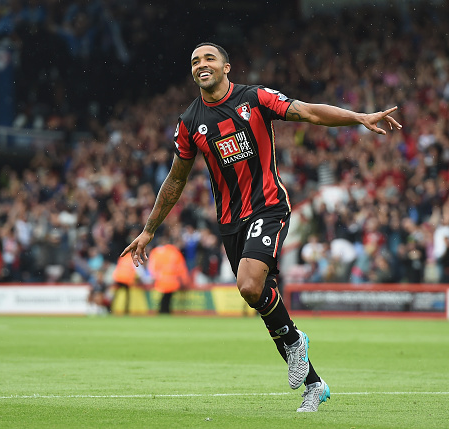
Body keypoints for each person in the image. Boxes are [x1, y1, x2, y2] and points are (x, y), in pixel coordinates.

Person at [122, 42, 402, 412]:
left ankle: (297, 343)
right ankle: (313, 384)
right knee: (259, 298)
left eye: (209, 58)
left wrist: (359, 117)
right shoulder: (189, 122)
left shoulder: (255, 98)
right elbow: (175, 180)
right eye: (194, 61)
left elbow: (309, 113)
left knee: (249, 283)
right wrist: (149, 229)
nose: (201, 65)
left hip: (268, 206)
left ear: (226, 67)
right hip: (229, 221)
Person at [147, 237, 189, 314]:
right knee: (167, 297)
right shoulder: (175, 253)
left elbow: (153, 265)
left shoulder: (161, 252)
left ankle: (163, 310)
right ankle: (164, 310)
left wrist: (154, 276)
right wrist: (184, 280)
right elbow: (181, 268)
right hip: (172, 280)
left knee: (165, 296)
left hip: (162, 279)